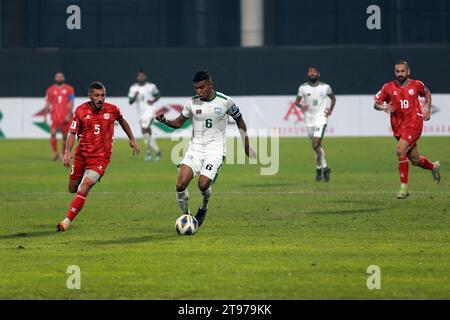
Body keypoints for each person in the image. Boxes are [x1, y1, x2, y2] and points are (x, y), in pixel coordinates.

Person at [155, 70, 255, 227]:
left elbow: (240, 121)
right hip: (195, 149)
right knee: (180, 185)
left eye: (201, 87)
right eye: (196, 88)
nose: (198, 91)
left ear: (210, 85)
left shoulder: (225, 101)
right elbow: (178, 123)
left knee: (203, 184)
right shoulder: (192, 103)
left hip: (215, 150)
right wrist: (164, 120)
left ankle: (203, 207)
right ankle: (187, 217)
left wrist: (246, 145)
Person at [56, 82, 140, 231]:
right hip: (81, 156)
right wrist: (67, 152)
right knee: (72, 188)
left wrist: (132, 139)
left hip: (100, 158)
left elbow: (122, 121)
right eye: (97, 95)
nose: (100, 99)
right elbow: (72, 132)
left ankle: (66, 222)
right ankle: (78, 192)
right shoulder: (81, 111)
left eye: (103, 95)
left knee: (85, 185)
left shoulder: (112, 110)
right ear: (90, 96)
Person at [374, 61, 440, 199]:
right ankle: (433, 167)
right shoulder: (388, 87)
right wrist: (383, 107)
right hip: (398, 127)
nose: (400, 74)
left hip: (414, 123)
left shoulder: (416, 85)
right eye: (398, 71)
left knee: (400, 150)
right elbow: (376, 103)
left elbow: (427, 94)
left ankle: (404, 188)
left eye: (403, 71)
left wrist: (427, 109)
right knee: (415, 160)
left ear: (408, 72)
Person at [295, 66, 336, 182]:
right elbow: (297, 102)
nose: (312, 74)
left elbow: (333, 99)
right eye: (310, 72)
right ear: (308, 74)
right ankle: (321, 168)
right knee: (316, 147)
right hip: (309, 120)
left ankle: (323, 167)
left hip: (321, 119)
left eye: (314, 72)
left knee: (315, 144)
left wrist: (330, 110)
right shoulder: (303, 88)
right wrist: (301, 106)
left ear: (318, 74)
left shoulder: (325, 87)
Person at [128, 70, 161, 161]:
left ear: (145, 77)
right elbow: (130, 102)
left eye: (142, 76)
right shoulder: (133, 88)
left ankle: (148, 151)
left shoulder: (151, 86)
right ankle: (156, 151)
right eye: (139, 76)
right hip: (141, 114)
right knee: (147, 132)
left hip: (150, 111)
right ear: (137, 77)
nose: (141, 77)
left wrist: (153, 101)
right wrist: (135, 96)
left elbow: (158, 94)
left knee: (144, 129)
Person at [43, 72, 75, 161]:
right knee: (53, 134)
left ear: (63, 78)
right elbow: (48, 103)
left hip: (65, 117)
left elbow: (71, 102)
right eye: (57, 77)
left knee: (65, 136)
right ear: (55, 78)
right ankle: (55, 153)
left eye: (60, 77)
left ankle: (62, 154)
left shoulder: (69, 89)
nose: (59, 78)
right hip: (55, 116)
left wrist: (69, 115)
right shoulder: (50, 89)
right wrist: (45, 116)